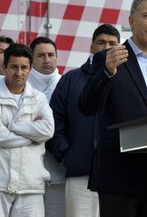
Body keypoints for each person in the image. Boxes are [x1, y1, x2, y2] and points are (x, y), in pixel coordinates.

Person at [78, 0, 147, 217]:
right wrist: (107, 72)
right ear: (131, 20)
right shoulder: (109, 57)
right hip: (118, 176)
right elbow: (86, 106)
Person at [47, 24, 120, 217]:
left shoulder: (128, 81)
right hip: (81, 173)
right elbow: (55, 120)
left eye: (112, 43)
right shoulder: (71, 79)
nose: (106, 47)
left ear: (120, 48)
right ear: (91, 46)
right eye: (101, 42)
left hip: (120, 175)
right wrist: (65, 154)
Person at [0, 44, 54, 216]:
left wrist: (13, 127)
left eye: (24, 67)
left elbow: (48, 130)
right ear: (5, 67)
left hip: (30, 186)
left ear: (31, 69)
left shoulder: (39, 98)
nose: (19, 72)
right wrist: (32, 136)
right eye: (14, 67)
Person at [28, 37, 65, 217]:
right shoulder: (21, 86)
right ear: (32, 59)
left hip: (58, 172)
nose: (47, 60)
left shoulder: (66, 83)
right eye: (41, 55)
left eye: (51, 55)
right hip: (25, 174)